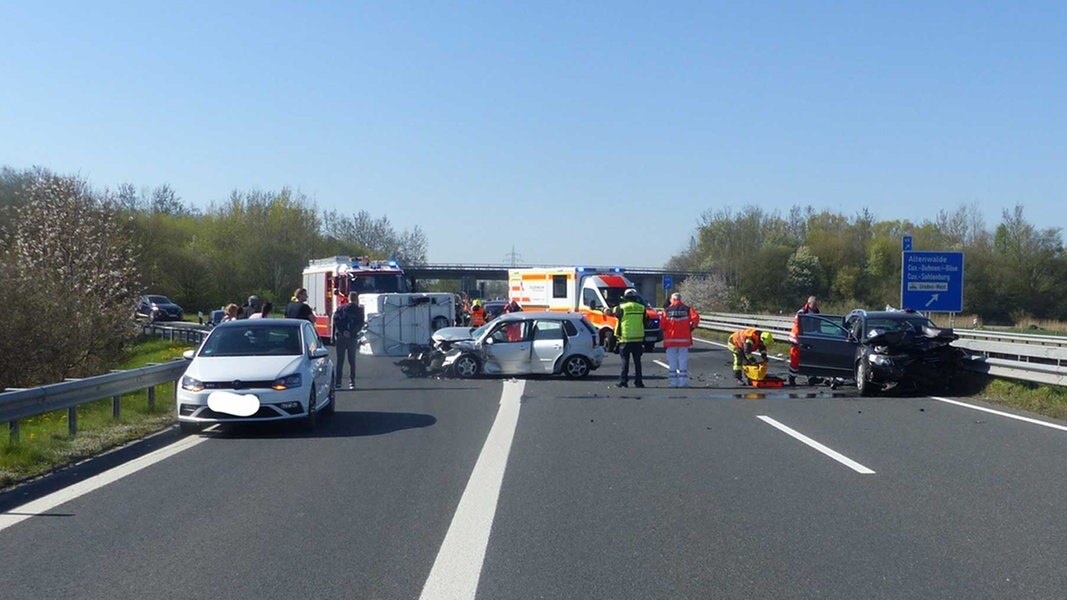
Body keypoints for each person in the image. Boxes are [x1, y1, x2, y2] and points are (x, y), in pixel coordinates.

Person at [606, 288, 647, 388]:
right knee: (637, 362)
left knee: (625, 361)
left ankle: (623, 382)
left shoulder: (621, 307)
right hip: (638, 339)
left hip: (625, 338)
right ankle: (639, 382)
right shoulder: (642, 308)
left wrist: (604, 310)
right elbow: (645, 320)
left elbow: (610, 312)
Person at [661, 292, 700, 387]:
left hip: (670, 340)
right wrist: (690, 328)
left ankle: (673, 382)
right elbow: (696, 319)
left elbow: (662, 325)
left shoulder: (667, 310)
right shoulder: (687, 309)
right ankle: (683, 382)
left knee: (672, 362)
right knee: (683, 361)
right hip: (684, 340)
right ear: (680, 299)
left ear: (672, 299)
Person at [332, 292, 364, 390]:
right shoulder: (359, 310)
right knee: (351, 360)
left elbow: (336, 320)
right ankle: (352, 382)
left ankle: (338, 383)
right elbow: (360, 323)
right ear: (356, 299)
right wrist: (352, 332)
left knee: (340, 360)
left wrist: (343, 331)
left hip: (341, 336)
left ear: (348, 298)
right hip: (352, 337)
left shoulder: (340, 308)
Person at [789, 296, 820, 381]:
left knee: (808, 358)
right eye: (814, 304)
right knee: (795, 359)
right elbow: (799, 324)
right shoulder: (802, 312)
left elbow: (817, 325)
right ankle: (792, 378)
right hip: (797, 338)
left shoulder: (816, 312)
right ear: (809, 303)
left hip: (808, 337)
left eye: (817, 304)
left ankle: (811, 378)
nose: (816, 306)